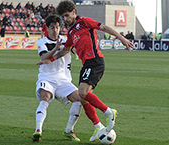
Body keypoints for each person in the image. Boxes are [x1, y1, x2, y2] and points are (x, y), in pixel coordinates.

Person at [37, 0, 134, 141]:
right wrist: (49, 60)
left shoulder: (85, 21)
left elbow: (105, 28)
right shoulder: (70, 31)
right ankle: (98, 127)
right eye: (63, 17)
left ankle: (109, 112)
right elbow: (65, 50)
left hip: (95, 61)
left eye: (66, 16)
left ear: (74, 12)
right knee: (83, 99)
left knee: (82, 93)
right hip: (86, 64)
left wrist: (122, 39)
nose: (65, 19)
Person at [33, 14, 103, 142]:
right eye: (53, 27)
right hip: (47, 78)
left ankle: (69, 130)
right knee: (45, 98)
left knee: (80, 99)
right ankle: (38, 130)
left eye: (58, 27)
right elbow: (44, 58)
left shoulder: (67, 40)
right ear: (47, 29)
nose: (55, 30)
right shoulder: (42, 42)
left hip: (63, 79)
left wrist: (78, 50)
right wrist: (56, 47)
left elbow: (73, 48)